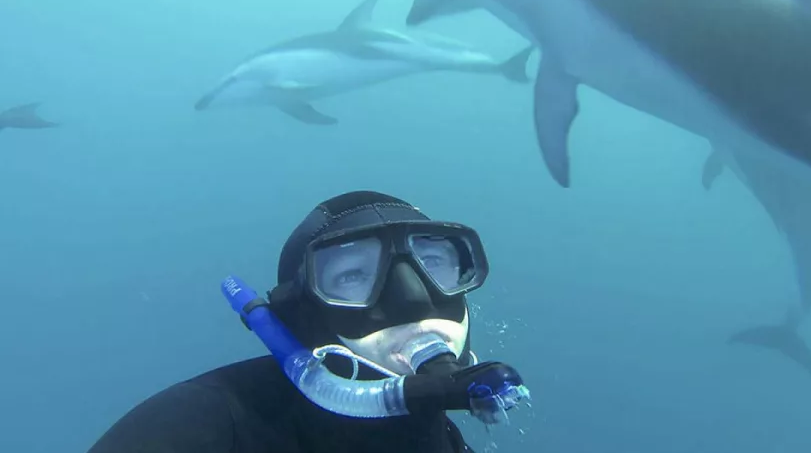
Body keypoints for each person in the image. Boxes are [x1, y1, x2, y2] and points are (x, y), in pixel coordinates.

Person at [87, 190, 528, 453]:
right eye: (354, 275)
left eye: (433, 262)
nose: (415, 298)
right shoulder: (204, 424)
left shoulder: (435, 432)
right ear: (304, 314)